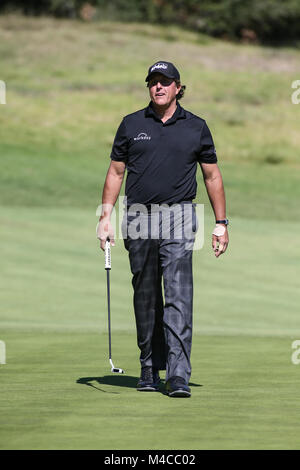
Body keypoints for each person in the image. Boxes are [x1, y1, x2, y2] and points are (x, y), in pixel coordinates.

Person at [97, 61, 229, 398]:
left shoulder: (196, 127)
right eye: (153, 82)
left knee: (178, 293)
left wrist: (221, 224)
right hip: (138, 215)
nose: (158, 87)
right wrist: (105, 217)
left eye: (165, 82)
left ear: (178, 87)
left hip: (181, 214)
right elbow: (115, 172)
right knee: (145, 294)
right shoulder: (131, 124)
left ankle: (179, 374)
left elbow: (212, 176)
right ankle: (148, 367)